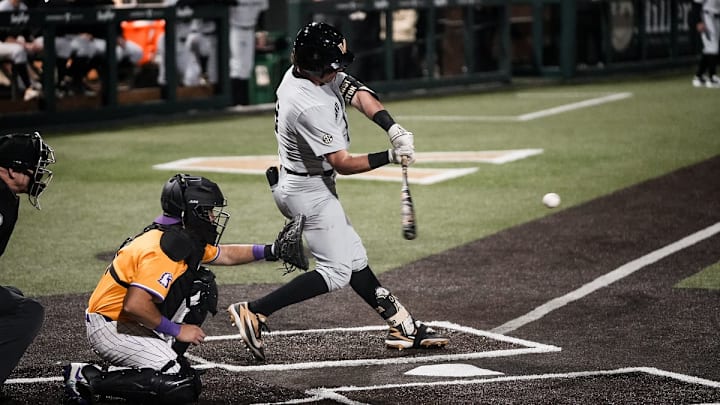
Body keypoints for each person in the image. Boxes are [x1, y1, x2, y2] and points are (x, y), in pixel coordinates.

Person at [227, 21, 449, 363]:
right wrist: (389, 156)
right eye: (334, 65)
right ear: (318, 66)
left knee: (355, 257)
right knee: (336, 271)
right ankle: (254, 311)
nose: (339, 71)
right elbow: (343, 163)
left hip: (307, 182)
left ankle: (402, 325)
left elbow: (355, 92)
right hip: (308, 190)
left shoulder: (309, 74)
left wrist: (392, 128)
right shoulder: (307, 105)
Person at [62, 173, 303, 404]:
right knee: (180, 384)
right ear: (189, 212)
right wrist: (176, 330)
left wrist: (272, 251)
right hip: (113, 327)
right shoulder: (164, 248)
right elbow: (134, 305)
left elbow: (225, 254)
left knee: (202, 287)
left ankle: (157, 361)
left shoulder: (180, 237)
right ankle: (87, 378)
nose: (212, 218)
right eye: (207, 212)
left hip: (127, 322)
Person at [0, 132, 55, 393]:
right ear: (11, 170)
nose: (39, 175)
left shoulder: (5, 197)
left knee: (13, 297)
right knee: (28, 311)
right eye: (34, 168)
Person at [228, 0, 268, 105]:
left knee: (247, 66)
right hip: (234, 28)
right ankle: (235, 101)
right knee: (237, 66)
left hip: (250, 29)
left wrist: (261, 32)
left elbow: (262, 13)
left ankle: (243, 102)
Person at [692, 0, 720, 88]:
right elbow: (696, 3)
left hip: (717, 18)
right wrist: (698, 21)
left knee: (710, 48)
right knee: (712, 47)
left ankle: (699, 76)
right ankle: (712, 78)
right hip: (707, 16)